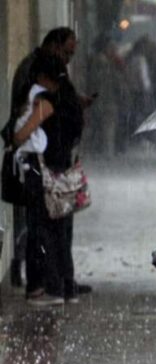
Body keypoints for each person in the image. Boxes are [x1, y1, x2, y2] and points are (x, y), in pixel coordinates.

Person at [3, 27, 93, 298]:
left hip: (54, 165)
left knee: (54, 225)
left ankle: (59, 281)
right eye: (66, 52)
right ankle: (41, 283)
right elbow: (19, 135)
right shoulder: (37, 85)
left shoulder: (48, 87)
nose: (68, 59)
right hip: (41, 167)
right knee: (43, 227)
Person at [13, 54, 81, 306]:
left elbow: (20, 137)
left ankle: (47, 287)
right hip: (61, 170)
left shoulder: (44, 103)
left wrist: (17, 127)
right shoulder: (67, 100)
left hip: (42, 173)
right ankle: (66, 285)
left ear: (42, 77)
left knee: (42, 229)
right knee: (60, 231)